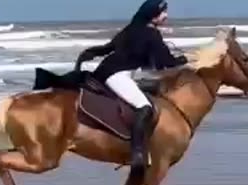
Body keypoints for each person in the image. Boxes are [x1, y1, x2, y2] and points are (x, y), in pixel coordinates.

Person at [74, 0, 188, 172]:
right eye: (163, 12)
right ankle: (137, 153)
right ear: (153, 14)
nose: (166, 16)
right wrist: (184, 59)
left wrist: (88, 54)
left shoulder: (132, 27)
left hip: (107, 71)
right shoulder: (152, 34)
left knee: (151, 91)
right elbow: (165, 62)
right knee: (145, 108)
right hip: (117, 75)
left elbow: (108, 48)